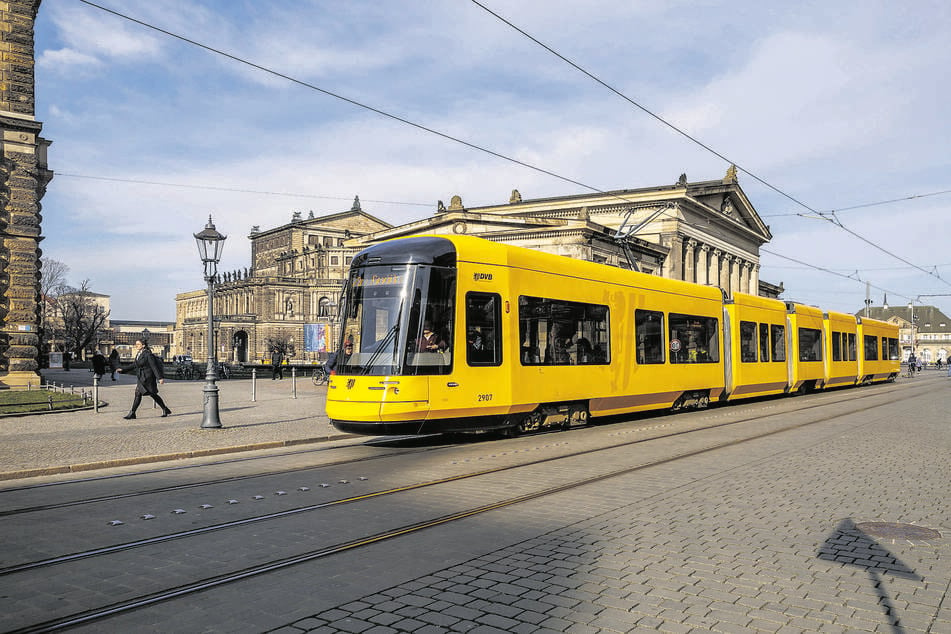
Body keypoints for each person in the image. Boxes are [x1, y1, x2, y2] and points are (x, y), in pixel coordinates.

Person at [116, 339, 170, 419]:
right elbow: (135, 365)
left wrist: (160, 378)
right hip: (141, 377)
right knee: (150, 394)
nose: (136, 345)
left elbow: (154, 366)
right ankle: (165, 409)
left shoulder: (148, 354)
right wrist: (123, 370)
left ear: (143, 345)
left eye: (138, 344)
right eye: (136, 344)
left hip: (148, 378)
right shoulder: (139, 354)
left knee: (143, 393)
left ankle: (132, 413)